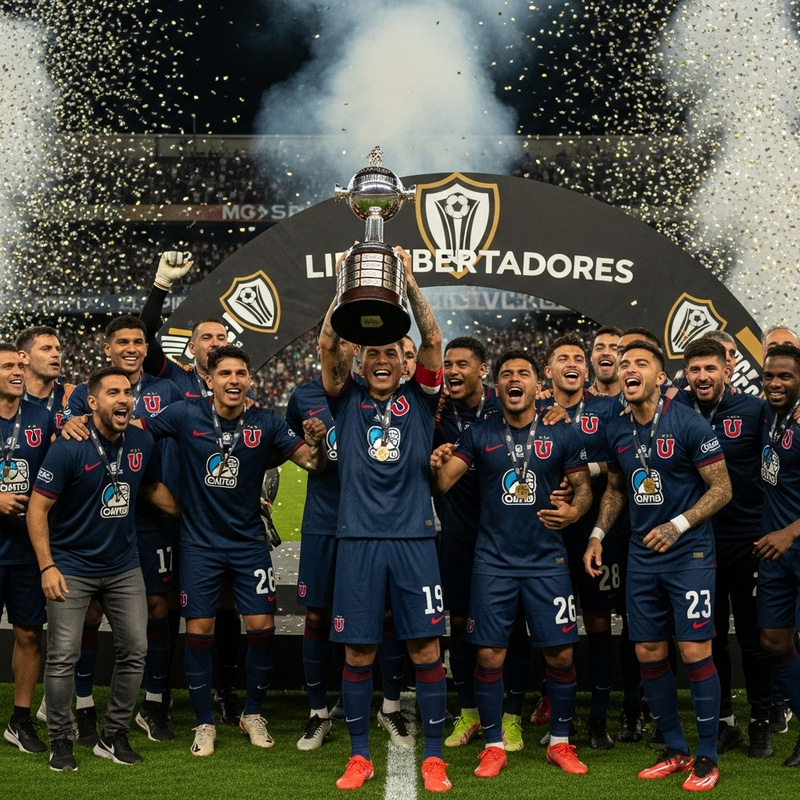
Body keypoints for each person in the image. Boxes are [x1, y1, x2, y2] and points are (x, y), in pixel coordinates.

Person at [141, 345, 327, 757]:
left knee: (262, 628)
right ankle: (204, 723)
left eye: (241, 373)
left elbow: (312, 463)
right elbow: (135, 431)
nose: (234, 380)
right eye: (225, 373)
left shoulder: (266, 420)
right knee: (199, 631)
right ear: (209, 380)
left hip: (248, 543)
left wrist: (317, 444)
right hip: (199, 545)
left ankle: (252, 713)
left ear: (249, 379)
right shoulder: (184, 413)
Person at [319, 246, 451, 792]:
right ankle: (359, 756)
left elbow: (434, 340)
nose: (381, 359)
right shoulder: (344, 399)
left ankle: (434, 756)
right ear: (360, 361)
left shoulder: (420, 400)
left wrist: (410, 282)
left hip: (415, 540)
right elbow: (328, 345)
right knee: (358, 651)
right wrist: (343, 288)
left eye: (392, 352)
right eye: (372, 351)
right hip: (358, 540)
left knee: (426, 650)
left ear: (404, 362)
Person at [430, 348, 593, 778]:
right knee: (488, 653)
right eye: (506, 374)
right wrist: (436, 465)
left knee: (560, 654)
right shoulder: (480, 433)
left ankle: (560, 743)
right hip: (493, 562)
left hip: (547, 560)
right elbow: (443, 483)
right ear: (497, 385)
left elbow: (583, 488)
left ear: (538, 385)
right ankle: (493, 746)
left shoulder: (562, 432)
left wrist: (574, 512)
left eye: (523, 373)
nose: (514, 379)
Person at [584, 339, 732, 791]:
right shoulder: (616, 429)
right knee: (648, 651)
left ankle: (707, 756)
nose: (629, 369)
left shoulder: (688, 423)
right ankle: (675, 749)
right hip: (642, 556)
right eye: (624, 364)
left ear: (660, 376)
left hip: (690, 555)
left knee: (694, 651)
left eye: (640, 363)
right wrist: (597, 535)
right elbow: (615, 490)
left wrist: (677, 525)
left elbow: (722, 488)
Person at [27, 366, 179, 771]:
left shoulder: (142, 440)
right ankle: (61, 740)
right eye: (113, 393)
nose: (124, 399)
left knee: (136, 649)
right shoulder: (69, 446)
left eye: (127, 392)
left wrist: (193, 515)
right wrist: (47, 566)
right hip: (71, 566)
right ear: (92, 403)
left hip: (124, 565)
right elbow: (37, 509)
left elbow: (151, 487)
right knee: (63, 655)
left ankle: (113, 736)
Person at [62, 315, 183, 742]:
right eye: (122, 342)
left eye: (138, 341)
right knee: (90, 614)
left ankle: (153, 703)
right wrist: (66, 422)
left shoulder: (168, 391)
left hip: (150, 518)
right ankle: (83, 704)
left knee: (158, 609)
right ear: (107, 348)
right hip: (97, 520)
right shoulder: (85, 393)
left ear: (147, 348)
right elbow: (67, 436)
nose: (131, 348)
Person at [139, 251, 244, 725]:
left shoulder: (235, 387)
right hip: (171, 514)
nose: (216, 343)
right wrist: (161, 286)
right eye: (207, 337)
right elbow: (145, 334)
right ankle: (158, 695)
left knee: (223, 607)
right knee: (165, 607)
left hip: (219, 521)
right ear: (191, 348)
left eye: (222, 337)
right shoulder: (175, 381)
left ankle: (227, 690)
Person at [675, 337, 773, 758]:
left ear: (727, 370)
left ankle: (761, 721)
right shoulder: (673, 408)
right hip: (698, 544)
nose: (702, 376)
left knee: (752, 638)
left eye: (710, 368)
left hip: (748, 541)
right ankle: (724, 722)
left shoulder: (755, 410)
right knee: (710, 637)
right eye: (695, 369)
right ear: (685, 373)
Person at [435, 336, 530, 752]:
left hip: (506, 531)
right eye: (448, 364)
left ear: (481, 370)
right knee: (458, 623)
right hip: (458, 530)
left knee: (514, 624)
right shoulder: (435, 410)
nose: (453, 371)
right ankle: (469, 712)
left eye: (462, 364)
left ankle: (512, 716)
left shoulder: (503, 403)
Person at [542, 334, 628, 750]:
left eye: (579, 357)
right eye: (563, 358)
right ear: (550, 370)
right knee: (554, 628)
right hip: (548, 536)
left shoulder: (609, 409)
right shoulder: (535, 410)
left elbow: (622, 463)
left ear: (587, 367)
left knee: (597, 622)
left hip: (597, 535)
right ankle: (560, 713)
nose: (572, 363)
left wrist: (583, 469)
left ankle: (598, 716)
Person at [286, 336, 359, 751]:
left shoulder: (371, 393)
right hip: (322, 520)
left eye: (348, 343)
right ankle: (317, 713)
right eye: (333, 342)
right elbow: (298, 451)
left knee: (369, 615)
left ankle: (365, 702)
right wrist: (313, 443)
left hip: (367, 524)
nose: (339, 349)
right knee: (316, 615)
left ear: (357, 350)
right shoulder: (303, 397)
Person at [0, 343, 56, 755]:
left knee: (30, 634)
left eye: (19, 365)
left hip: (25, 550)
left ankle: (20, 721)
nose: (18, 371)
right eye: (7, 366)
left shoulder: (42, 416)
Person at [754, 343, 800, 768]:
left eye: (785, 376)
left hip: (792, 541)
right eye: (769, 375)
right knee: (773, 639)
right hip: (774, 551)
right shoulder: (769, 413)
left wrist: (790, 531)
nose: (775, 383)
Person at [16, 325, 74, 431]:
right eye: (46, 349)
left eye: (58, 349)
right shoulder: (7, 399)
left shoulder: (72, 396)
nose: (56, 354)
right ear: (24, 357)